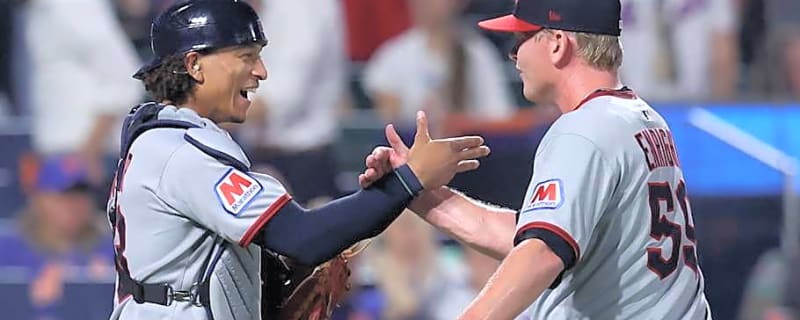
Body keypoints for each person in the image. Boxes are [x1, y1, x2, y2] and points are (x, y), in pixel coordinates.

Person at [107, 1, 489, 319]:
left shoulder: (170, 141)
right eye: (246, 57)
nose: (260, 71)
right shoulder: (181, 153)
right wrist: (409, 180)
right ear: (194, 65)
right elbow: (301, 238)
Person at [359, 0, 712, 318]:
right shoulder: (640, 118)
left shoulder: (582, 130)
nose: (513, 54)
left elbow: (541, 254)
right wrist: (414, 189)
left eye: (523, 38)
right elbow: (532, 237)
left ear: (557, 44)